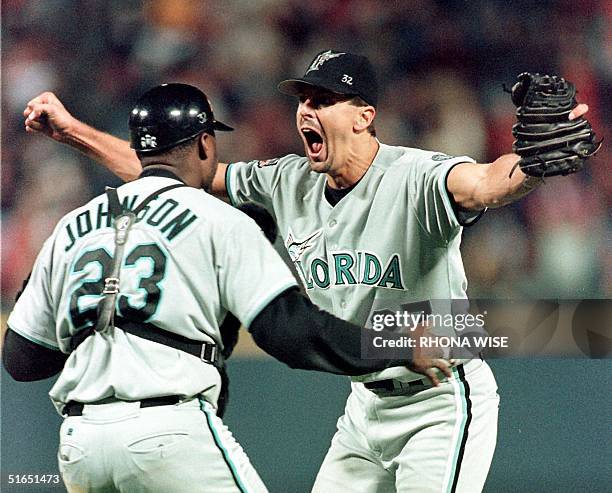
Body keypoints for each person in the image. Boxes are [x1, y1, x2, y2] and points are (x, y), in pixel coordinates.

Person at [22, 52, 592, 493]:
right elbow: (171, 172)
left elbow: (491, 182)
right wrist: (73, 132)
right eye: (303, 100)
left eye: (324, 100)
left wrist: (532, 168)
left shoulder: (416, 176)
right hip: (365, 404)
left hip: (441, 398)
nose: (306, 111)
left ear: (365, 116)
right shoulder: (286, 180)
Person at [6, 82, 451, 493]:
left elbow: (21, 359)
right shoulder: (218, 219)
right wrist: (392, 347)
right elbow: (289, 332)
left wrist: (107, 330)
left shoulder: (71, 228)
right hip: (171, 433)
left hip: (79, 445)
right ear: (204, 143)